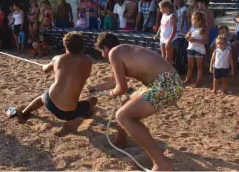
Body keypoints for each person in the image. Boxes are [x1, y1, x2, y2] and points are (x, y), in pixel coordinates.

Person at [94, 32, 183, 171]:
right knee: (126, 104)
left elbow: (121, 87)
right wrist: (96, 88)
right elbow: (115, 81)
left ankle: (161, 163)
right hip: (170, 82)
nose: (102, 55)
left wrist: (111, 93)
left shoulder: (113, 53)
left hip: (165, 85)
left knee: (123, 115)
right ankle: (120, 141)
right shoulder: (124, 50)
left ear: (105, 48)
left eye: (101, 52)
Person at [15, 32, 97, 136]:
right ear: (82, 47)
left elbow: (45, 70)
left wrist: (47, 66)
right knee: (93, 100)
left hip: (50, 102)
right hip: (70, 113)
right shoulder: (88, 62)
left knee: (42, 97)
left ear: (65, 46)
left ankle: (24, 113)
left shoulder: (57, 58)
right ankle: (83, 115)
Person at [183, 12, 208, 87]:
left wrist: (196, 40)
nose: (193, 21)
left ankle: (198, 82)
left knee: (199, 66)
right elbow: (187, 35)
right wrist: (187, 37)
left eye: (194, 20)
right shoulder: (192, 28)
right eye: (192, 19)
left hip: (199, 50)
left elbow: (206, 41)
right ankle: (187, 79)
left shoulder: (203, 29)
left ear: (200, 20)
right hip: (191, 48)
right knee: (190, 65)